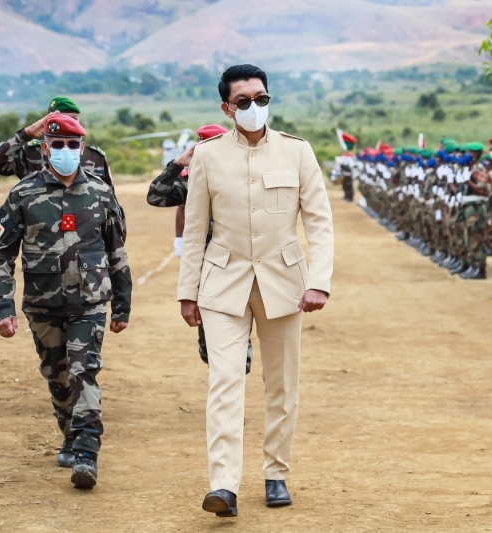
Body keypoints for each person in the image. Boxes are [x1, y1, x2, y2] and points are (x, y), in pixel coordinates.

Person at [177, 65, 334, 517]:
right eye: (243, 101)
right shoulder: (207, 156)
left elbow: (319, 222)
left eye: (261, 98)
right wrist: (188, 292)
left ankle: (275, 472)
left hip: (284, 284)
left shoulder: (297, 152)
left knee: (281, 384)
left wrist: (319, 281)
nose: (254, 107)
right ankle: (223, 485)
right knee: (224, 381)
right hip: (222, 283)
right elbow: (194, 232)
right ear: (227, 108)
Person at [0, 114, 131, 490]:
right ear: (45, 148)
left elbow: (117, 250)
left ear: (82, 149)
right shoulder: (23, 194)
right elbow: (2, 254)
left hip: (90, 302)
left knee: (84, 372)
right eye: (58, 145)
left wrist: (122, 304)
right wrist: (4, 308)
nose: (66, 151)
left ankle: (86, 451)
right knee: (58, 376)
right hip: (42, 304)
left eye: (72, 145)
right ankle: (69, 432)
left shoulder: (100, 193)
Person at [147, 124, 253, 374]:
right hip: (207, 271)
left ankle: (231, 391)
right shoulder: (190, 182)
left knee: (237, 344)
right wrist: (178, 163)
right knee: (211, 346)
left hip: (241, 267)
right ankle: (225, 384)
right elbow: (155, 195)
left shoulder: (246, 176)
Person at [0, 96, 115, 190]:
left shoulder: (94, 157)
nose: (68, 125)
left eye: (73, 120)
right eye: (62, 120)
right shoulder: (32, 153)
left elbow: (111, 207)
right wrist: (26, 134)